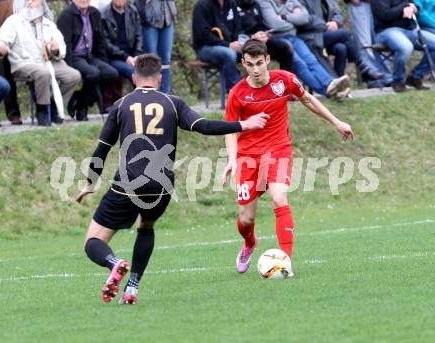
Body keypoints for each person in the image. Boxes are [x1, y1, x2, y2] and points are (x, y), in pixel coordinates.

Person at [75, 53, 269, 305]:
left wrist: (90, 182)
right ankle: (132, 287)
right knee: (146, 227)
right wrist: (244, 124)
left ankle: (114, 263)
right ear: (159, 78)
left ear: (134, 78)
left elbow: (102, 149)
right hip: (161, 185)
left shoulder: (121, 105)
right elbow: (203, 126)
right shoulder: (173, 103)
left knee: (93, 241)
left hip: (128, 183)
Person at [222, 39, 353, 275]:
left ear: (268, 61)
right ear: (243, 63)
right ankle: (250, 243)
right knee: (246, 219)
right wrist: (232, 159)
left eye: (259, 63)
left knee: (279, 197)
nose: (255, 70)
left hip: (278, 150)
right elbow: (231, 129)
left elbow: (308, 100)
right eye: (250, 64)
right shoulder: (238, 94)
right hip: (248, 157)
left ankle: (286, 262)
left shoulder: (285, 80)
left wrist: (336, 122)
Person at [0, 0, 81, 126]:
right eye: (28, 0)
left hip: (47, 62)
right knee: (43, 73)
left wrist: (56, 50)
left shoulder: (48, 24)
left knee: (74, 75)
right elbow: (0, 41)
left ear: (42, 4)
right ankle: (42, 111)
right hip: (23, 63)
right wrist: (1, 47)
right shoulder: (14, 21)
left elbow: (61, 47)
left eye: (34, 0)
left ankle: (53, 106)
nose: (30, 2)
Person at [257, 0, 351, 99]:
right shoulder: (264, 2)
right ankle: (327, 91)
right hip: (276, 39)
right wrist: (294, 20)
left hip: (293, 37)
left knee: (311, 60)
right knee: (300, 64)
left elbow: (305, 18)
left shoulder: (291, 1)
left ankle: (330, 83)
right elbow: (274, 24)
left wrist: (284, 17)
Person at [57, 0, 119, 120]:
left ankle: (79, 99)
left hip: (90, 56)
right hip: (74, 57)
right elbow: (66, 45)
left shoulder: (95, 13)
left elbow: (100, 41)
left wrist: (103, 63)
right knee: (93, 73)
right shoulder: (66, 15)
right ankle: (82, 107)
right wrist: (69, 67)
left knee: (111, 73)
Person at [297, 0, 384, 81]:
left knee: (341, 48)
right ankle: (362, 66)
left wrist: (335, 22)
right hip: (311, 36)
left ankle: (338, 83)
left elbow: (338, 13)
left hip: (327, 36)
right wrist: (325, 26)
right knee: (344, 34)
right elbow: (306, 19)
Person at [372, 0, 435, 92]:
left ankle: (415, 77)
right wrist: (405, 6)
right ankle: (398, 81)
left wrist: (414, 9)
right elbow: (385, 15)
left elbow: (415, 10)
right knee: (405, 47)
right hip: (388, 31)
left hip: (410, 30)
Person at [192, 0, 243, 93]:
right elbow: (203, 35)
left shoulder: (232, 3)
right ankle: (236, 93)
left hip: (231, 45)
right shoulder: (202, 6)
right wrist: (228, 45)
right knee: (229, 54)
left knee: (254, 50)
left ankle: (256, 90)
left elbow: (238, 27)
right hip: (205, 47)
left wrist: (238, 42)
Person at [343, 0, 393, 88]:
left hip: (373, 4)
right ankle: (373, 77)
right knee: (364, 42)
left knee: (376, 42)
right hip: (359, 4)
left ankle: (386, 76)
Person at [235, 0, 294, 72]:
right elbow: (235, 32)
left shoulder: (255, 4)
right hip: (242, 44)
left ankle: (285, 80)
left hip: (260, 41)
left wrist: (265, 34)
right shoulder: (233, 5)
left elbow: (261, 26)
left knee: (285, 47)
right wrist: (252, 37)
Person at [135, 0, 175, 93]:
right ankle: (150, 93)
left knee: (166, 60)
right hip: (149, 19)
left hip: (168, 18)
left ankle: (165, 94)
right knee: (150, 59)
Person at [101, 0, 143, 83]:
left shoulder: (132, 10)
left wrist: (137, 55)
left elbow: (139, 35)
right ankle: (142, 96)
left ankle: (151, 95)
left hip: (133, 55)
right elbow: (106, 43)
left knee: (150, 69)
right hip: (114, 57)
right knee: (132, 71)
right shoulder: (104, 15)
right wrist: (126, 57)